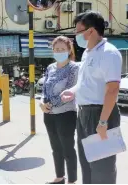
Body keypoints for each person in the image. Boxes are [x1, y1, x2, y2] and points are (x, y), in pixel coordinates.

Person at [60, 11, 122, 184]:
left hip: (101, 114)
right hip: (84, 113)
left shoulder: (109, 53)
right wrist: (72, 91)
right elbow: (85, 82)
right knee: (87, 163)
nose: (76, 36)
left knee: (102, 166)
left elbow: (112, 90)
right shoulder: (88, 53)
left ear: (91, 31)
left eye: (79, 31)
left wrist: (103, 122)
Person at [40, 36, 79, 184]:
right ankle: (60, 177)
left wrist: (51, 104)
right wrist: (42, 103)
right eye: (56, 49)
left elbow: (70, 91)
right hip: (49, 115)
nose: (59, 51)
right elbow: (44, 89)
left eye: (62, 49)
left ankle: (72, 180)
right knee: (55, 147)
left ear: (69, 50)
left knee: (68, 148)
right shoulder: (50, 67)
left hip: (66, 114)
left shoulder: (74, 68)